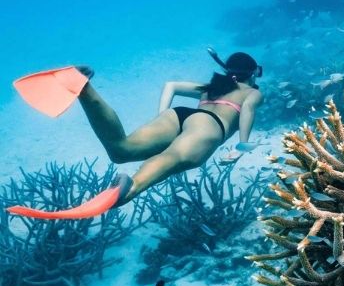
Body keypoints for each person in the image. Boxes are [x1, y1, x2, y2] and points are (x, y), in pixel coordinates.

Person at [7, 49, 264, 219]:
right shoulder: (251, 92)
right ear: (253, 74)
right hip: (209, 125)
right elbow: (248, 111)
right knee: (171, 157)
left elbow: (170, 85)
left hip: (178, 114)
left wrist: (161, 116)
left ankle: (84, 88)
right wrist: (241, 146)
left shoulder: (211, 87)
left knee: (122, 149)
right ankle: (128, 190)